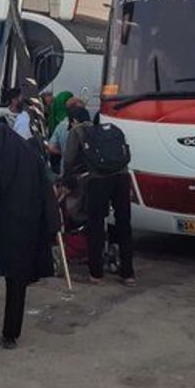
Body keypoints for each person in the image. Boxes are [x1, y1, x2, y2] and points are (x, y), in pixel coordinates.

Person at [0, 124, 54, 349]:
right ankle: (10, 336)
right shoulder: (32, 155)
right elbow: (48, 182)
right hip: (25, 227)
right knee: (16, 283)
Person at [62, 105, 135, 286]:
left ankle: (96, 273)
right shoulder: (114, 131)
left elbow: (69, 160)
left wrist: (67, 182)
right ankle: (128, 273)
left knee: (95, 224)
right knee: (123, 223)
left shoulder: (79, 131)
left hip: (98, 180)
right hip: (122, 177)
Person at [47, 96, 85, 176]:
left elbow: (51, 147)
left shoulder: (61, 125)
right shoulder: (85, 125)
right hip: (82, 171)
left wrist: (64, 153)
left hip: (65, 170)